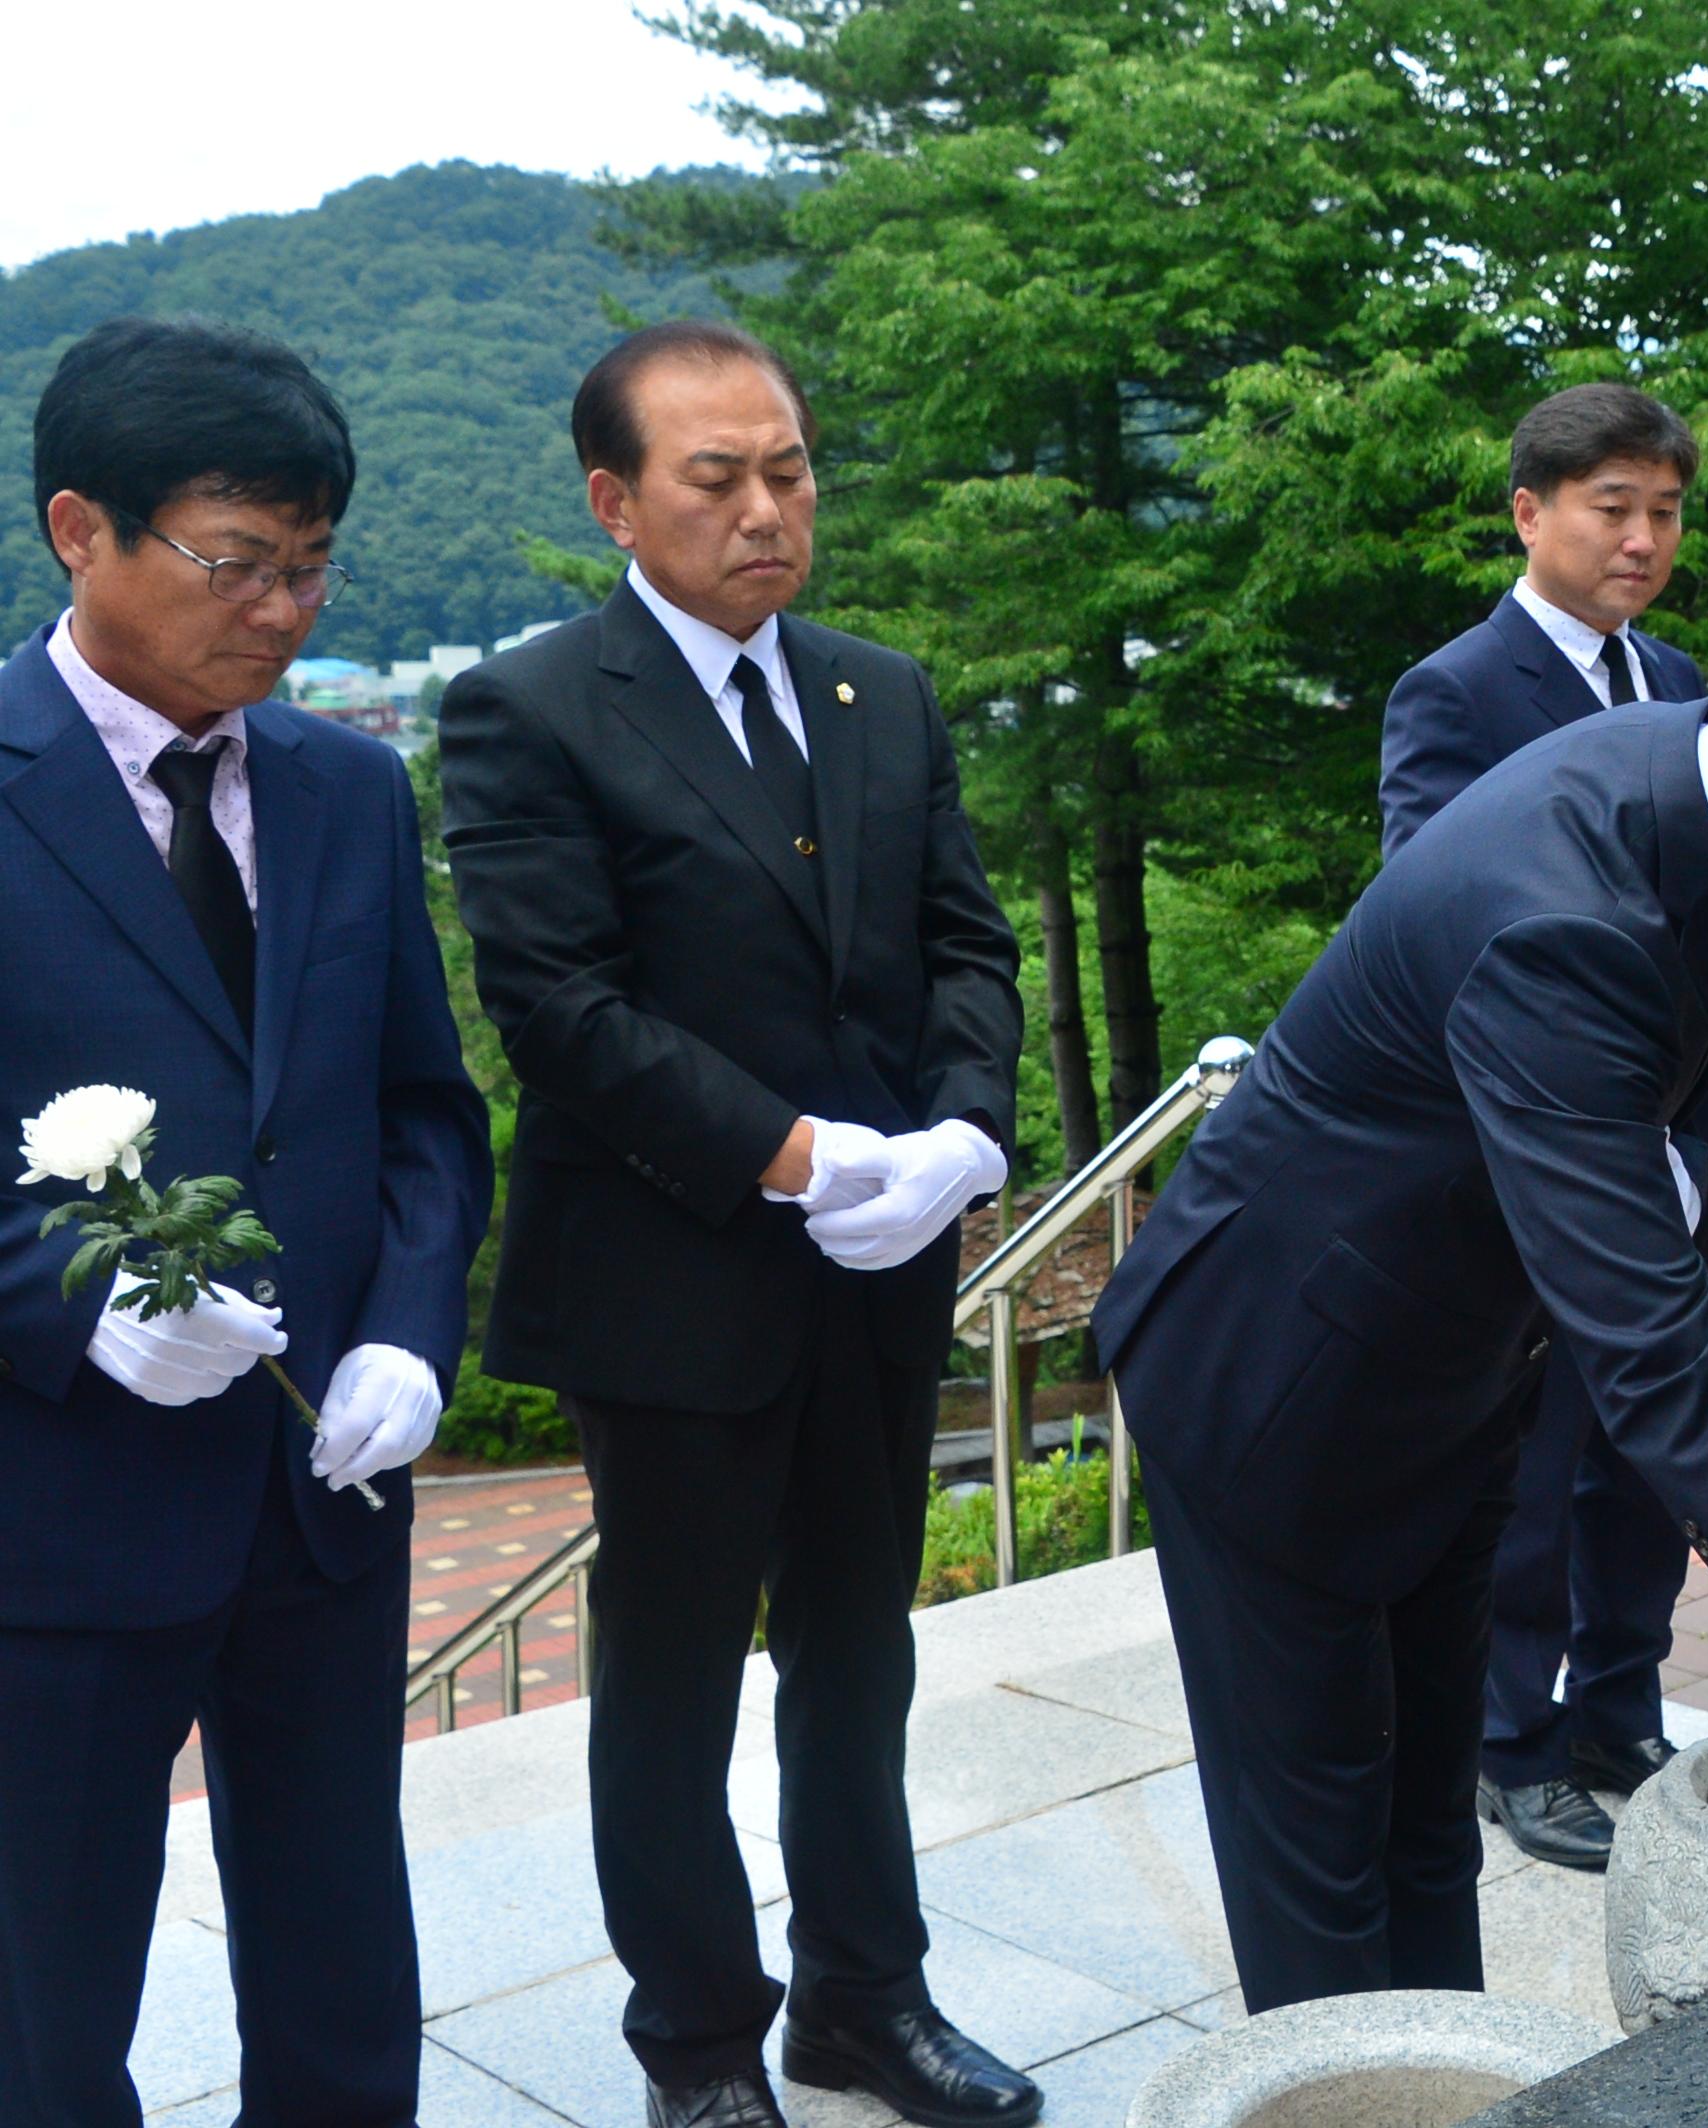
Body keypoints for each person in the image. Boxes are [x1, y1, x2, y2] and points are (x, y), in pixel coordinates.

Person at [1095, 542, 1708, 2015]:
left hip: (1453, 1364)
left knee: (1431, 1818)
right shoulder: (1566, 909)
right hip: (1276, 1380)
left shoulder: (1686, 783)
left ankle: (1449, 2100)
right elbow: (1650, 1335)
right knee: (1319, 1859)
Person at [438, 322, 1030, 2128]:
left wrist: (961, 1140)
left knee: (862, 1652)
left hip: (878, 1282)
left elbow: (964, 946)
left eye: (790, 469)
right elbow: (564, 1009)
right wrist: (799, 1160)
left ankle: (866, 1997)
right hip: (671, 1275)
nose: (769, 509)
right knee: (674, 1688)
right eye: (720, 479)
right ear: (618, 498)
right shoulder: (530, 707)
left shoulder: (881, 690)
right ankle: (696, 2047)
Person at [0, 317, 493, 2128]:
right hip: (58, 1529)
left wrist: (408, 1335)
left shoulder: (348, 787)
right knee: (45, 2011)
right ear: (81, 528)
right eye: (236, 565)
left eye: (310, 570)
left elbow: (424, 1118)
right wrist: (70, 1308)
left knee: (346, 1971)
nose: (282, 614)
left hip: (321, 1505)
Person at [1378, 383, 1708, 1869]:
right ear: (1530, 513)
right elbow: (1449, 909)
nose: (1641, 539)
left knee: (1648, 1458)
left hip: (1681, 1134)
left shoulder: (1682, 677)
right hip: (1550, 1150)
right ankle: (1510, 1737)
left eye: (1665, 512)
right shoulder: (1458, 689)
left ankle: (1622, 1707)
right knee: (1540, 1465)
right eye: (1611, 508)